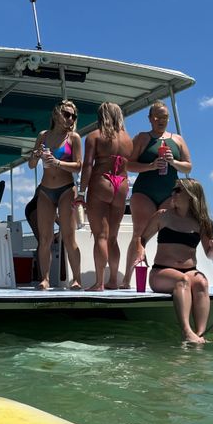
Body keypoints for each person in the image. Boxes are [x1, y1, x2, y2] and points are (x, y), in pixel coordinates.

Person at [137, 178, 213, 343]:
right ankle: (186, 331)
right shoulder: (163, 216)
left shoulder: (203, 223)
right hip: (161, 272)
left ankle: (199, 334)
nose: (172, 193)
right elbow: (142, 239)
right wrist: (141, 253)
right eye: (173, 189)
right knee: (182, 280)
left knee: (202, 283)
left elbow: (210, 256)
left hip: (189, 271)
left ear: (191, 196)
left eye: (178, 190)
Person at [120, 101, 192, 289]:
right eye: (158, 116)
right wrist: (151, 166)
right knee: (139, 233)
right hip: (145, 191)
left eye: (165, 117)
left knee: (169, 233)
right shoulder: (143, 138)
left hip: (170, 193)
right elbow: (128, 164)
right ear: (150, 118)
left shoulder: (178, 139)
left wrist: (173, 161)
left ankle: (170, 277)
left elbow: (188, 166)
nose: (161, 120)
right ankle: (127, 279)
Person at [27, 100, 83, 290]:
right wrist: (35, 156)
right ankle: (45, 278)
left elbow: (78, 166)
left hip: (66, 188)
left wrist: (57, 163)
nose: (70, 119)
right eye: (67, 114)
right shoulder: (43, 136)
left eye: (73, 116)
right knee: (45, 238)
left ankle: (76, 279)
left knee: (69, 236)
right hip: (45, 190)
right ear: (56, 114)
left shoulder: (73, 138)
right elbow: (31, 165)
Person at [79, 102, 133, 291]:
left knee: (101, 236)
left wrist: (80, 192)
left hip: (101, 182)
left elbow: (87, 165)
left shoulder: (94, 136)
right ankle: (113, 281)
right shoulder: (128, 139)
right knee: (113, 237)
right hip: (122, 185)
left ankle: (99, 282)